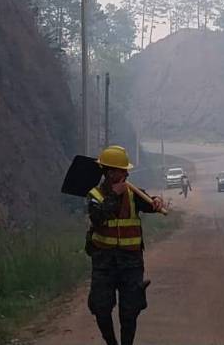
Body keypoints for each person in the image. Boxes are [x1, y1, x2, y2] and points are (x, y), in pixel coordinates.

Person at [87, 145, 165, 345]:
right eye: (122, 170)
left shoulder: (133, 193)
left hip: (131, 261)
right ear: (110, 172)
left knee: (129, 311)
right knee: (101, 307)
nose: (126, 174)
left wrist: (156, 201)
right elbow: (98, 218)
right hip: (104, 262)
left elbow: (149, 204)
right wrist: (114, 195)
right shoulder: (95, 195)